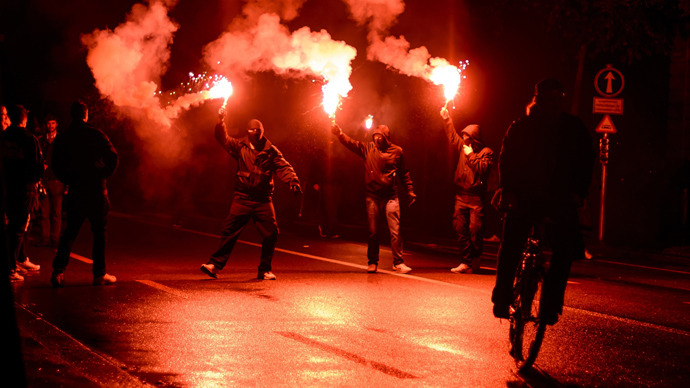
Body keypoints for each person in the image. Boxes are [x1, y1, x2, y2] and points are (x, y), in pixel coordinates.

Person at [491, 78, 595, 325]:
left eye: (558, 99)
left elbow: (585, 162)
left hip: (559, 199)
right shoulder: (521, 127)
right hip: (525, 197)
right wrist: (509, 190)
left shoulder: (573, 128)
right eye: (549, 98)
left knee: (565, 249)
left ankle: (551, 305)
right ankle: (503, 297)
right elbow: (507, 161)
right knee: (512, 243)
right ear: (537, 100)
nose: (554, 103)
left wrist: (578, 193)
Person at [200, 109, 302, 281]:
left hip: (263, 200)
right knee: (229, 231)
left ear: (262, 133)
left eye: (258, 134)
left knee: (271, 233)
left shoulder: (271, 151)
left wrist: (293, 181)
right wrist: (220, 121)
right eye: (253, 134)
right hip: (242, 197)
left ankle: (265, 270)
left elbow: (284, 167)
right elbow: (222, 138)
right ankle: (214, 265)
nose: (256, 137)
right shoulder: (240, 146)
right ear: (248, 133)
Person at [331, 122, 416, 273]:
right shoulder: (367, 148)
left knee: (395, 231)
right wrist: (340, 134)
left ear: (386, 138)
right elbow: (351, 143)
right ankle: (372, 262)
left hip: (391, 197)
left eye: (380, 137)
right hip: (372, 197)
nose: (377, 140)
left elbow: (404, 173)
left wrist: (410, 191)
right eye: (375, 136)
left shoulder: (397, 151)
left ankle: (398, 262)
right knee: (373, 231)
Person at [50, 101, 118, 287]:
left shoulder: (64, 138)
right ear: (86, 115)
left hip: (76, 190)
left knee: (70, 231)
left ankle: (58, 271)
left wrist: (69, 178)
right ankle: (99, 274)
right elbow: (113, 157)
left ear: (72, 116)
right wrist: (103, 173)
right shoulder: (96, 135)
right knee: (99, 232)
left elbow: (56, 165)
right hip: (96, 190)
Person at [440, 106, 494, 274]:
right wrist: (447, 119)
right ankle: (465, 261)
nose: (464, 140)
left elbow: (483, 169)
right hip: (460, 195)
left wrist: (471, 155)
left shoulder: (486, 152)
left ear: (475, 139)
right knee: (459, 228)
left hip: (476, 198)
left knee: (475, 230)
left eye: (467, 137)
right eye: (463, 137)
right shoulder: (462, 146)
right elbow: (451, 135)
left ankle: (475, 257)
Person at [1, 105, 44, 282]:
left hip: (7, 186)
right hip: (24, 187)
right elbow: (37, 166)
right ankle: (10, 268)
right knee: (19, 227)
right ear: (24, 120)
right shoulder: (29, 138)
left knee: (12, 225)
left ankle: (18, 260)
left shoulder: (3, 136)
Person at [37, 114, 65, 247]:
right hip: (44, 180)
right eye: (48, 123)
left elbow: (67, 161)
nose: (50, 126)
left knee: (56, 213)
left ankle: (55, 239)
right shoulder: (41, 140)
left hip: (57, 180)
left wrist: (67, 182)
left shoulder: (61, 141)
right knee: (44, 212)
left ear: (57, 124)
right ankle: (45, 238)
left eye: (53, 123)